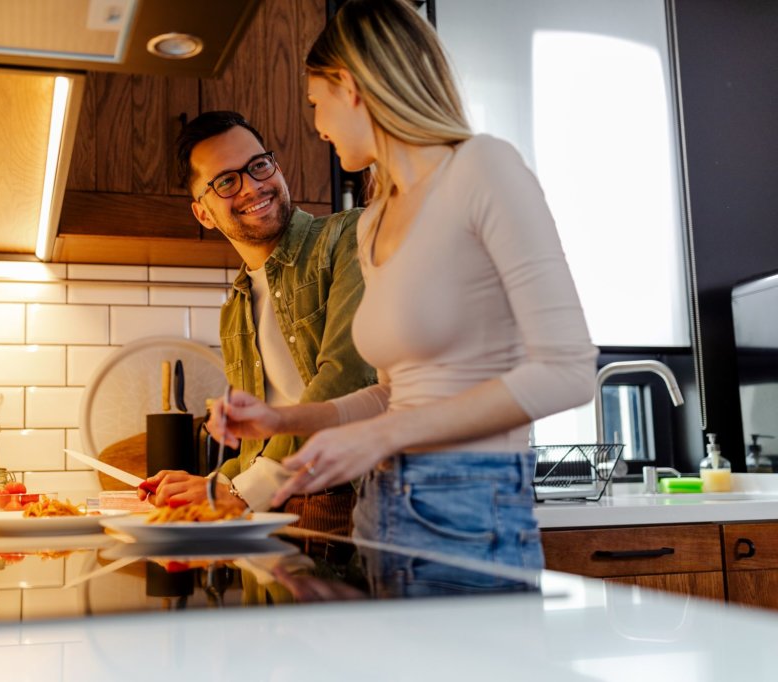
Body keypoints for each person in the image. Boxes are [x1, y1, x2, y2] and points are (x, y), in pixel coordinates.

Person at [208, 0, 597, 570]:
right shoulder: (374, 220)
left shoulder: (483, 168)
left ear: (353, 87)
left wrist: (384, 437)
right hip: (383, 512)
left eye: (318, 103)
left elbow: (570, 372)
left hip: (471, 508)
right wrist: (284, 420)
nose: (316, 126)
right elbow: (392, 394)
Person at [138, 111, 377, 535]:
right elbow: (256, 446)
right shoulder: (235, 308)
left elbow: (348, 374)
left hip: (343, 509)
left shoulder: (348, 235)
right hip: (266, 515)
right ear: (204, 214)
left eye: (258, 165)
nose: (252, 186)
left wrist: (245, 488)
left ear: (277, 167)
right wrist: (213, 484)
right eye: (226, 181)